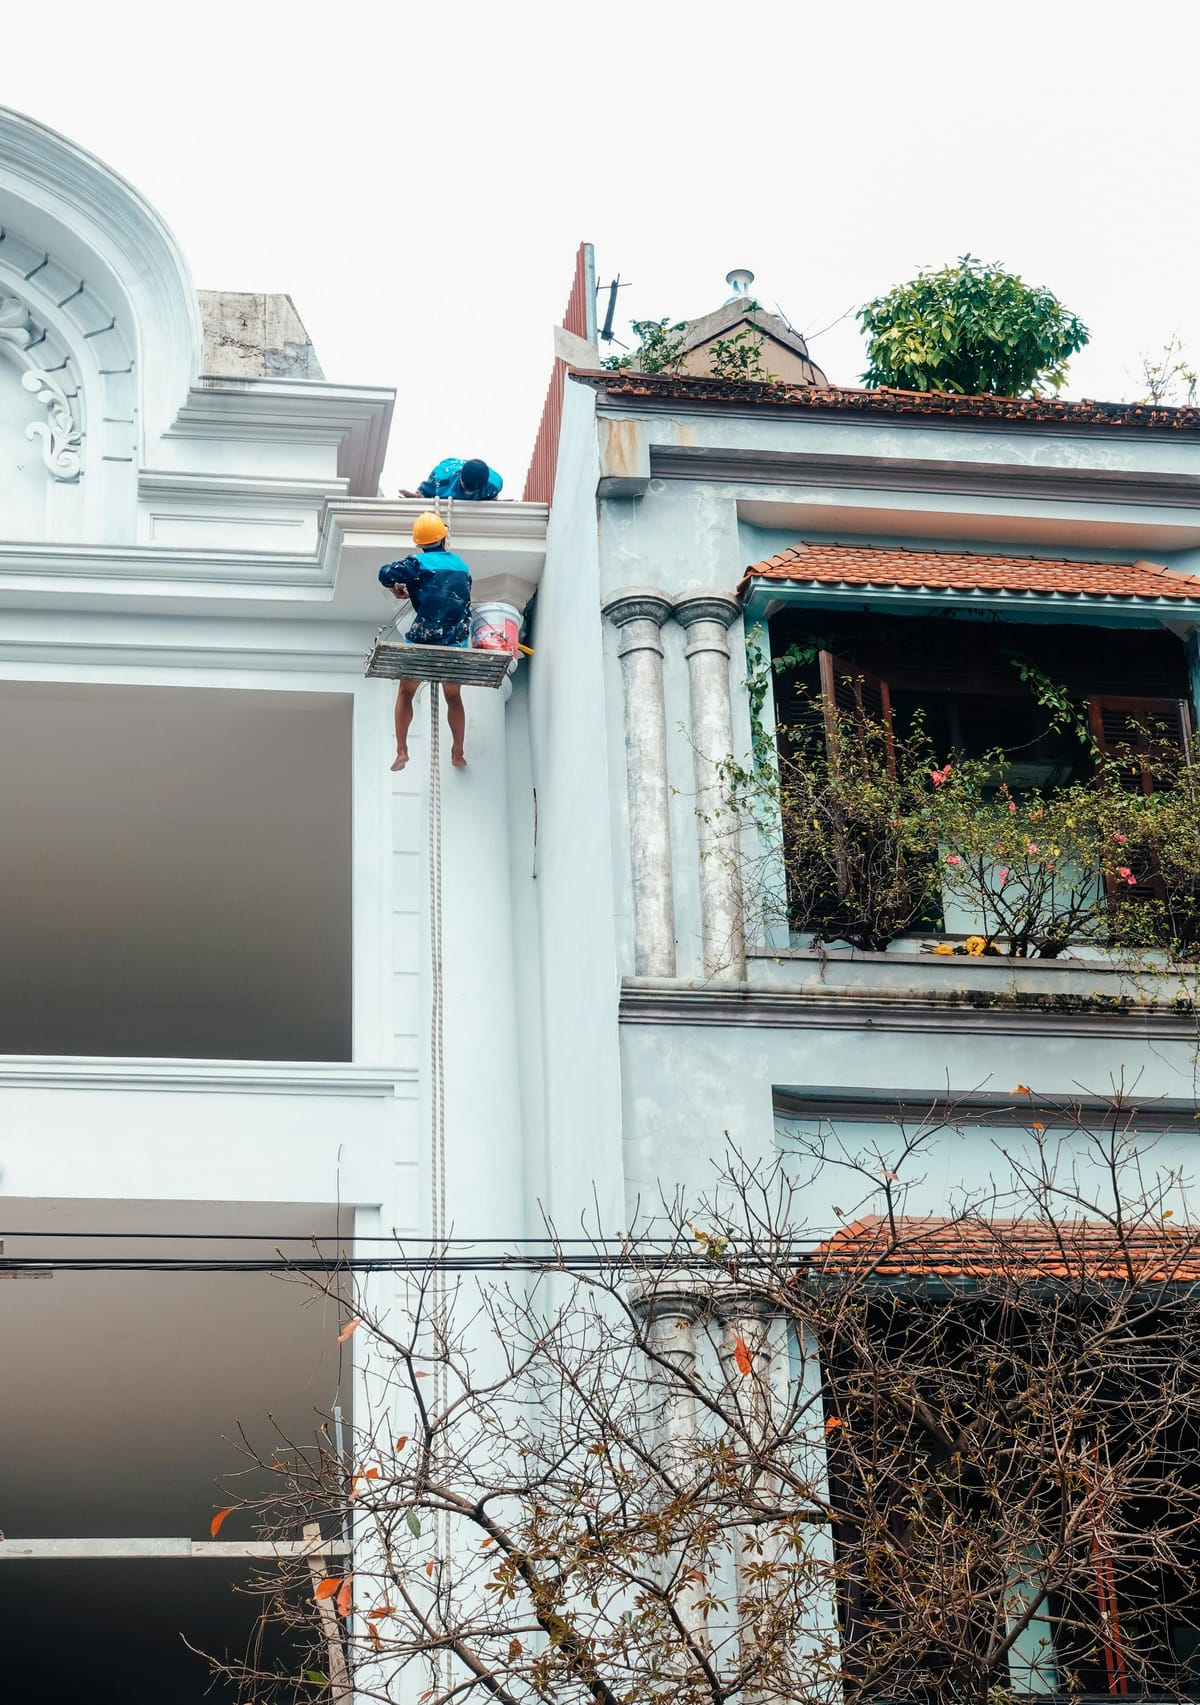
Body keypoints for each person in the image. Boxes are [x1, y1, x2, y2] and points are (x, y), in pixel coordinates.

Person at [378, 512, 472, 771]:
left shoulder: (416, 564)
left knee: (406, 691)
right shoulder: (462, 565)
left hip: (425, 637)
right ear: (444, 536)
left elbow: (384, 573)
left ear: (419, 542)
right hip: (455, 638)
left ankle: (401, 750)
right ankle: (458, 752)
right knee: (453, 696)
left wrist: (397, 587)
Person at [399, 457, 503, 502]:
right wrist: (418, 496)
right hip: (448, 470)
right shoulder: (440, 479)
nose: (468, 493)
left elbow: (492, 497)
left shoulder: (493, 485)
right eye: (465, 488)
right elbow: (424, 493)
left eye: (472, 491)